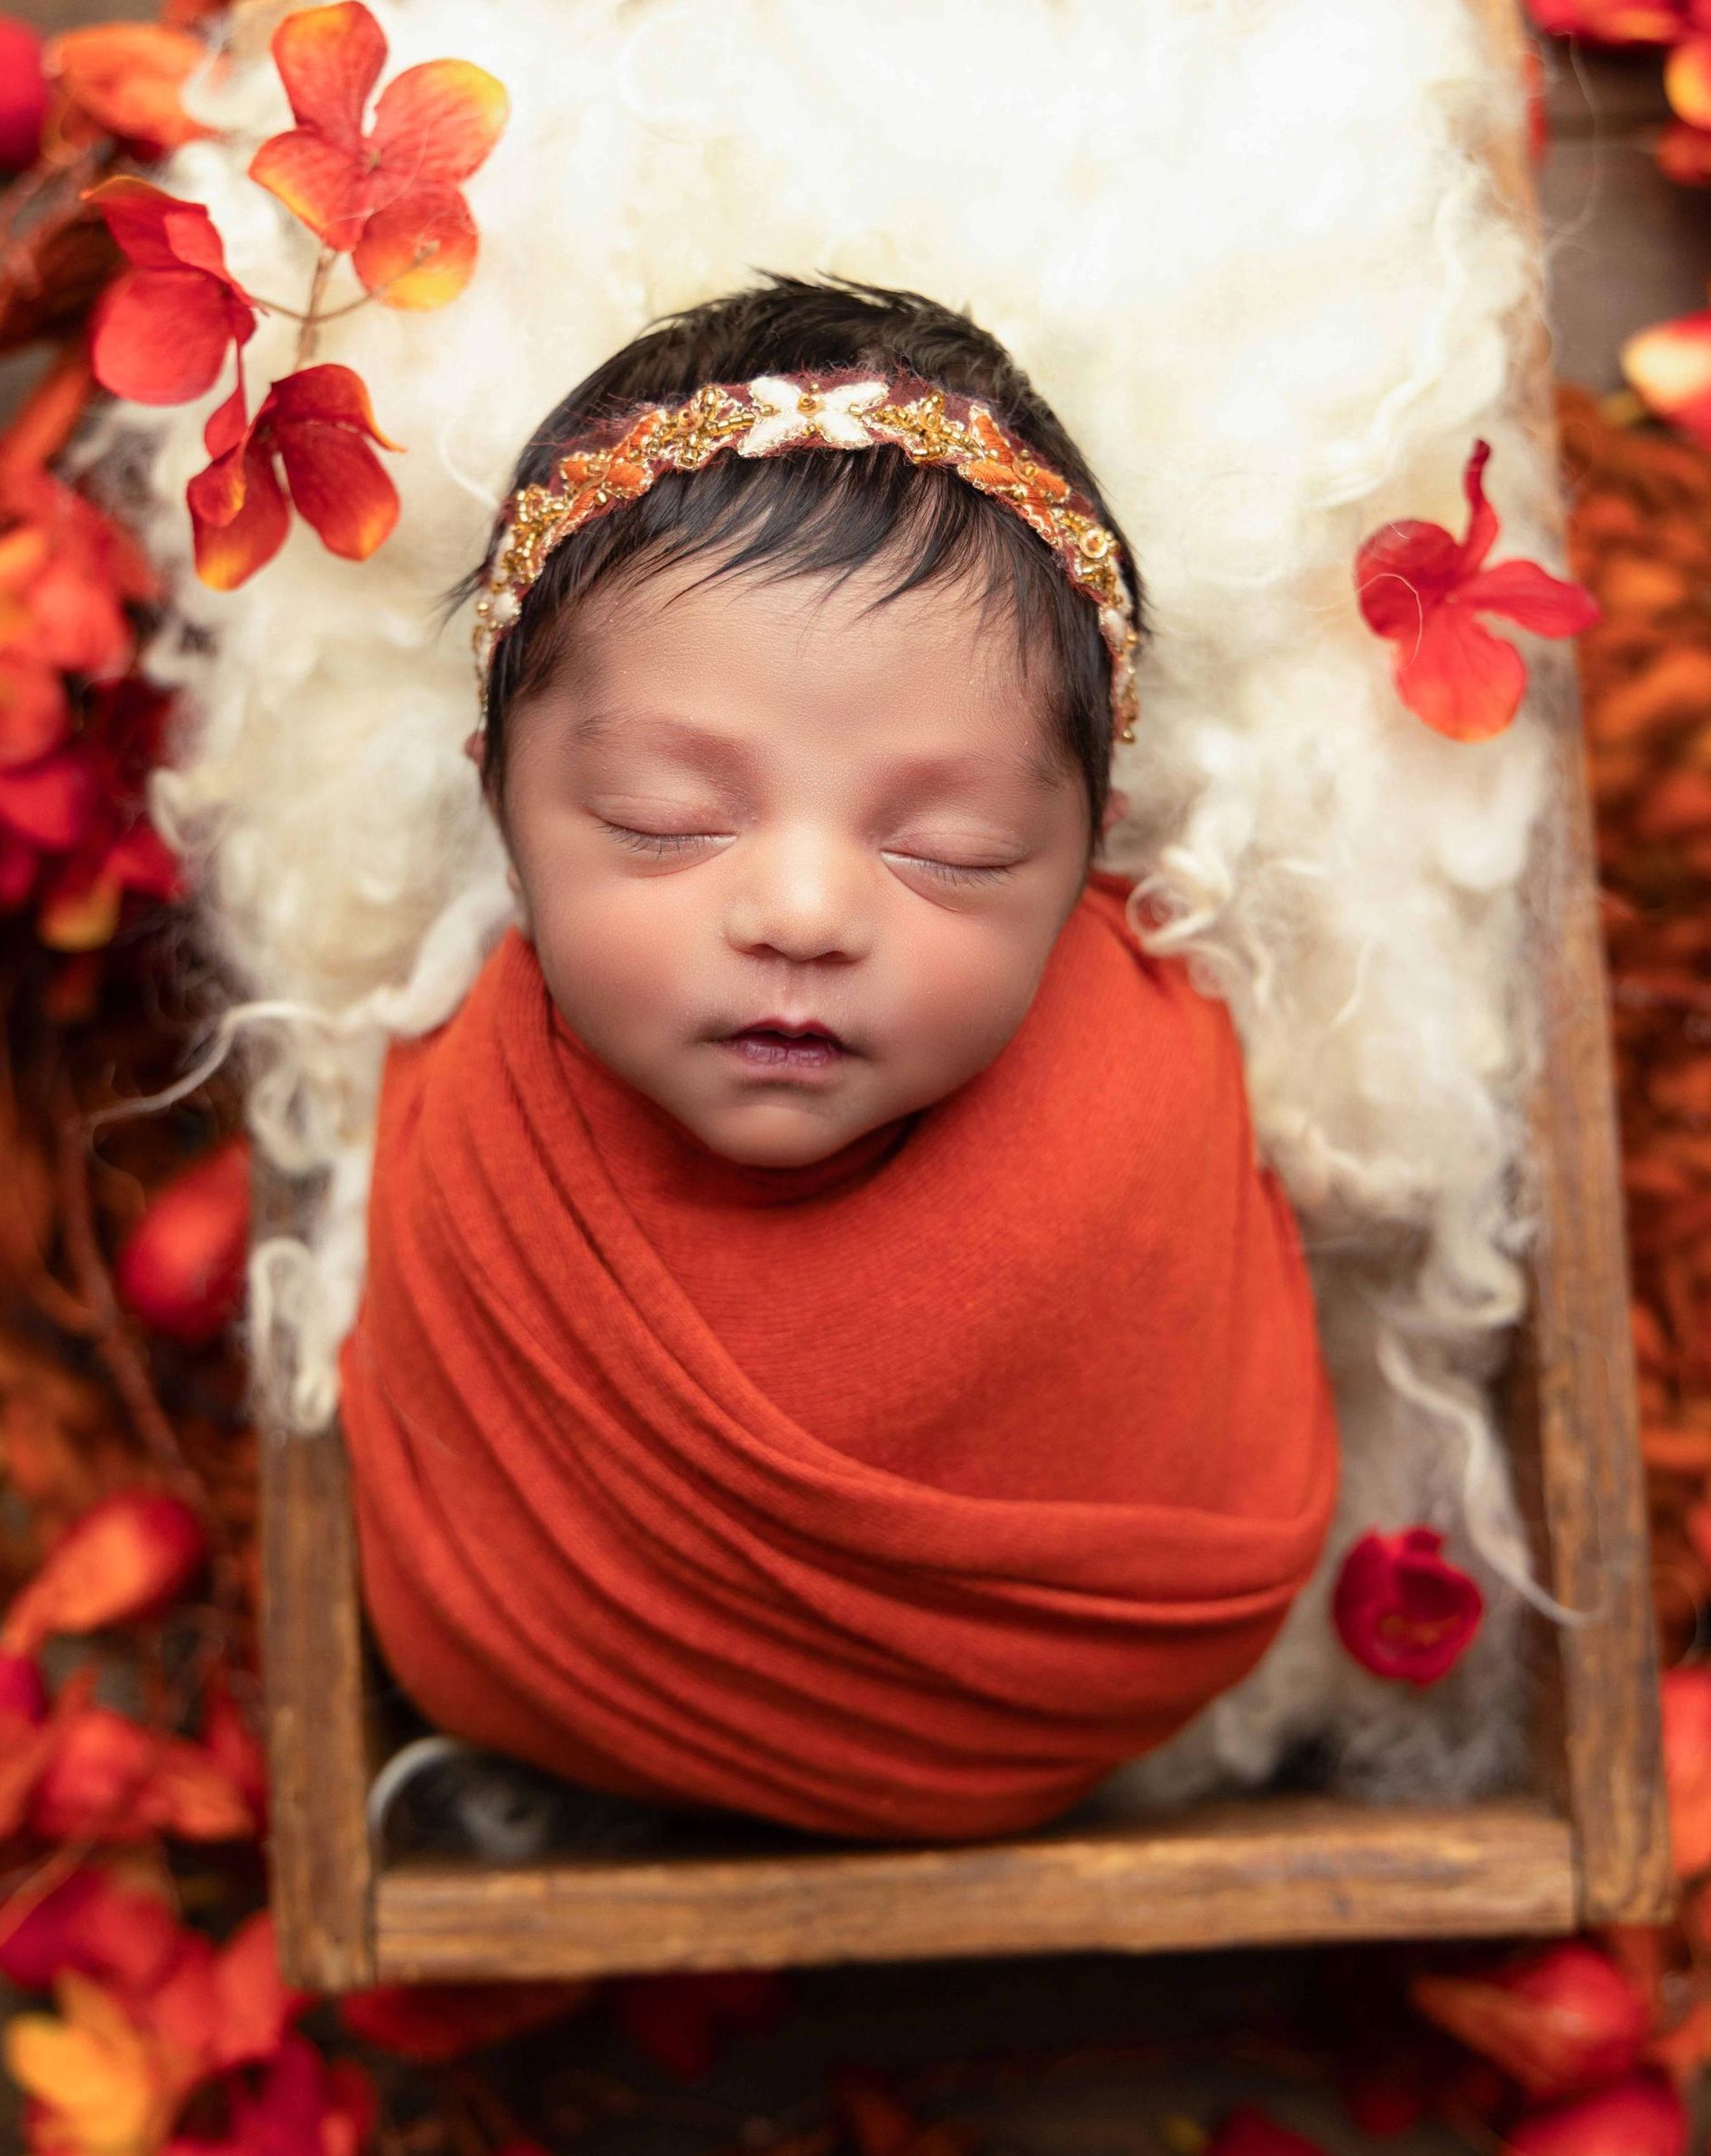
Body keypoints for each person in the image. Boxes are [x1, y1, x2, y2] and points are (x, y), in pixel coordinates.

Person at [337, 276, 1338, 1844]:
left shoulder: (1149, 1095)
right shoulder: (485, 1132)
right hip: (546, 1720)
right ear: (500, 805)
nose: (803, 913)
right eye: (667, 822)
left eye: (957, 849)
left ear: (1089, 860)